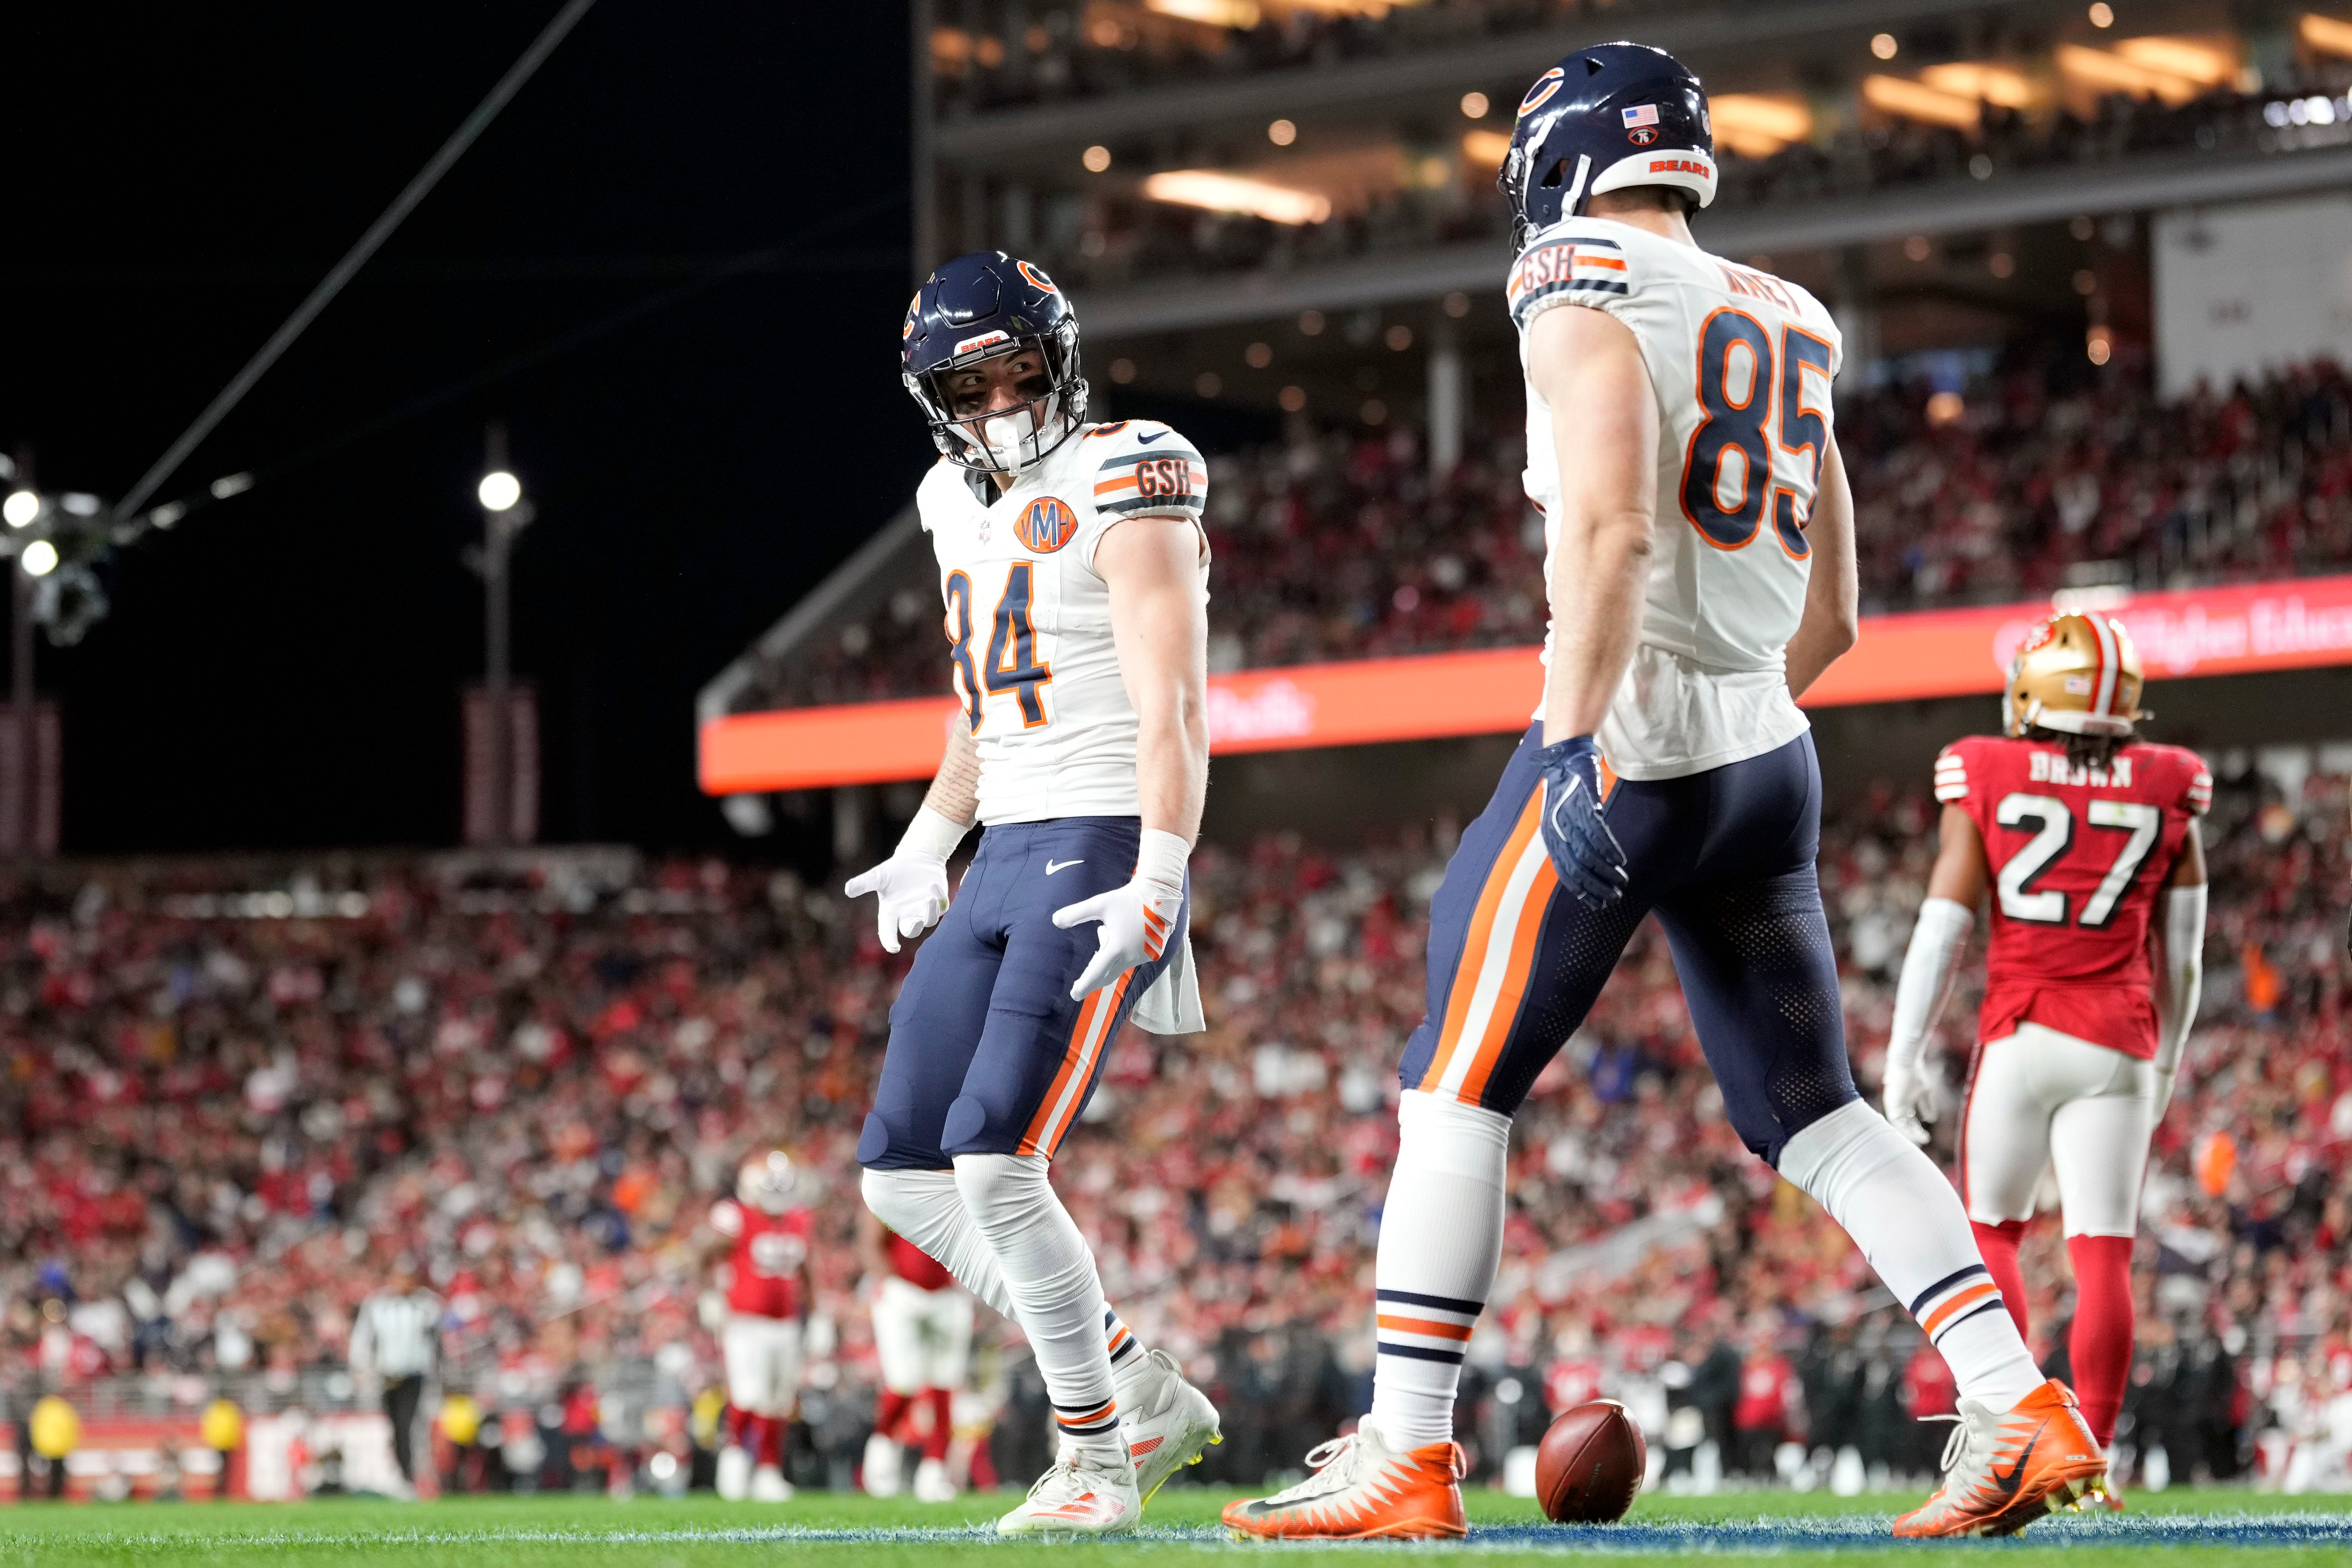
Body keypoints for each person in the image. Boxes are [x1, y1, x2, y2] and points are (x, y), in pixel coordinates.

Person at [1224, 42, 2104, 1541]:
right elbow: (1832, 617)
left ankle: (1406, 1452)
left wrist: (1584, 741)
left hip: (1631, 735)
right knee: (1815, 1112)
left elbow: (1614, 528)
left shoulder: (1572, 278)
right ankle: (2017, 1399)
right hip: (1767, 749)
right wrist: (1720, 721)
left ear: (1558, 163)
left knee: (1453, 1082)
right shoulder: (1793, 315)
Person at [848, 250, 1221, 1535]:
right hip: (1002, 839)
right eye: (972, 385)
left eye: (1016, 372)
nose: (1001, 403)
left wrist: (1160, 873)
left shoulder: (1131, 467)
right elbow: (981, 706)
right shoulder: (948, 503)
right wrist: (925, 839)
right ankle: (1127, 1380)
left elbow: (1172, 700)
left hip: (1103, 830)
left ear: (1058, 359)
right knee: (901, 1171)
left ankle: (1095, 1462)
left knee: (998, 1161)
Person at [1882, 611, 2210, 1506]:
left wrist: (1904, 1053)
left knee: (1992, 1235)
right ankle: (2093, 1456)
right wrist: (2166, 1062)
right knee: (2102, 1254)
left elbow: (1942, 925)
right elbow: (2182, 955)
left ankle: (2016, 1431)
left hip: (2020, 1033)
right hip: (2118, 1041)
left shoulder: (1984, 766)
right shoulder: (2171, 781)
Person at [707, 1149, 813, 1502]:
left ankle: (768, 1471)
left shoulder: (798, 1219)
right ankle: (735, 1461)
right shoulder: (736, 1216)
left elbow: (806, 1271)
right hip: (746, 1323)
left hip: (785, 1324)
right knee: (748, 1395)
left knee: (779, 1402)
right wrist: (710, 1295)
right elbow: (703, 1252)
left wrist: (819, 1313)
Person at [858, 1207, 973, 1503]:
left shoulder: (956, 1187)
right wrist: (887, 1281)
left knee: (944, 1387)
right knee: (904, 1381)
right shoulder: (896, 1180)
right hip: (903, 1290)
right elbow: (872, 1241)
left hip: (946, 1294)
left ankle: (934, 1472)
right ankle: (882, 1454)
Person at [350, 1259, 441, 1500]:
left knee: (409, 1426)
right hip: (387, 1377)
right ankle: (400, 1476)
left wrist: (436, 1374)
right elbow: (362, 1340)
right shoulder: (377, 1305)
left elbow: (437, 1344)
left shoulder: (428, 1305)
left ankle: (411, 1478)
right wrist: (364, 1371)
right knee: (394, 1427)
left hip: (416, 1375)